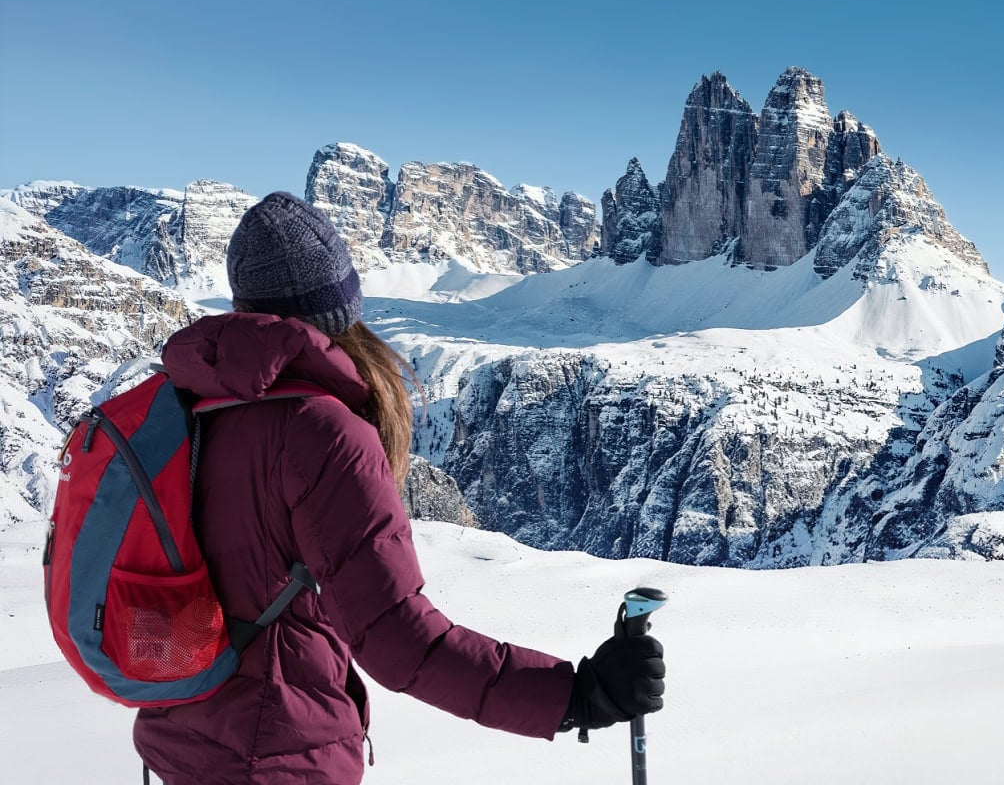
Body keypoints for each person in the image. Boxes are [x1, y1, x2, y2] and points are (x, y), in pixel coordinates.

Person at [132, 191, 666, 783]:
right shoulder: (321, 432)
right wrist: (575, 696)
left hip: (175, 745)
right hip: (276, 761)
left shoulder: (183, 407)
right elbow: (398, 640)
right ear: (338, 310)